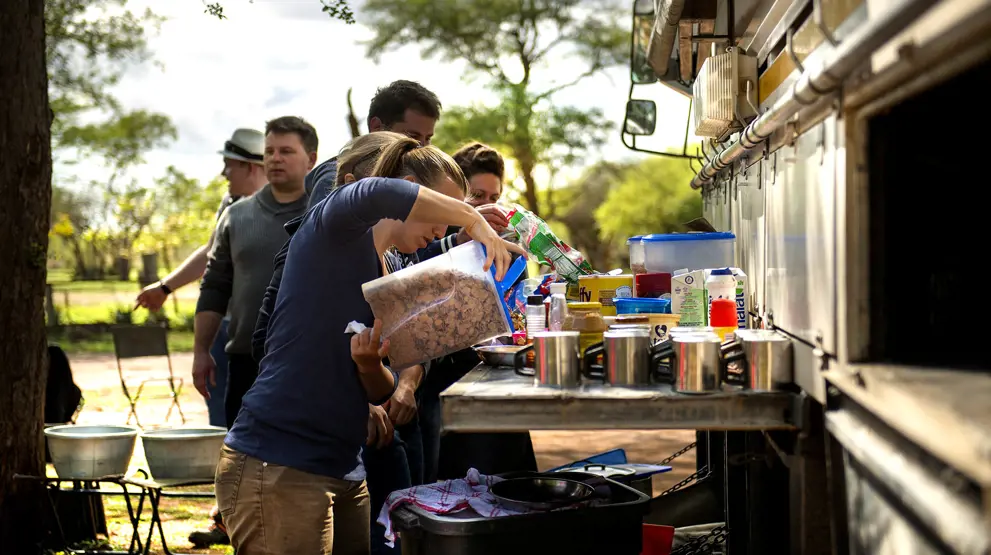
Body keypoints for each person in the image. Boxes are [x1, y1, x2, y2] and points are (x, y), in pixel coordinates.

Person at [216, 137, 524, 555]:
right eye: (441, 210)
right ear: (410, 190)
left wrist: (368, 367)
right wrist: (473, 218)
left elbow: (385, 388)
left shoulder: (391, 273)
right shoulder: (336, 231)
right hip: (278, 461)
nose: (443, 229)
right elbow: (372, 192)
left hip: (345, 467)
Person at [190, 117, 315, 547]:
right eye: (270, 151)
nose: (275, 159)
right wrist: (201, 351)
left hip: (306, 365)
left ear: (311, 158)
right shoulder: (237, 215)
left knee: (297, 468)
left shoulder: (324, 214)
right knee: (242, 461)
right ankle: (237, 534)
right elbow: (214, 286)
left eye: (286, 151)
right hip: (245, 360)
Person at [417, 142, 538, 483]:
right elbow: (408, 278)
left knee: (511, 480)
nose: (487, 206)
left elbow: (516, 316)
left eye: (494, 197)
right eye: (477, 197)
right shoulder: (431, 236)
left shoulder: (507, 248)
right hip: (442, 387)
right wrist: (460, 239)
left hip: (497, 381)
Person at [135, 128, 267, 430]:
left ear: (249, 167)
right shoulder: (230, 204)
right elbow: (211, 254)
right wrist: (165, 287)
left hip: (263, 331)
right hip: (224, 326)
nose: (223, 173)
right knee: (222, 415)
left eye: (229, 165)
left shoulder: (285, 208)